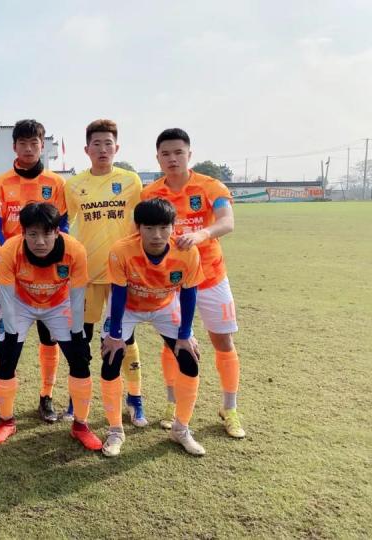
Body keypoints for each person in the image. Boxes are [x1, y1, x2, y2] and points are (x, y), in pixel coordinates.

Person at [141, 128, 245, 439]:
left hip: (211, 276)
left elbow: (227, 221)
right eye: (166, 154)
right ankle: (173, 404)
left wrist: (201, 234)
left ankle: (230, 408)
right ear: (158, 158)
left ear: (189, 154)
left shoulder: (210, 186)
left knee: (222, 341)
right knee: (172, 343)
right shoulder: (150, 193)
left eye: (178, 152)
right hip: (171, 281)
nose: (172, 159)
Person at [0, 202, 101, 451]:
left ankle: (80, 425)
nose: (40, 241)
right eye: (32, 234)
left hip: (58, 304)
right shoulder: (9, 251)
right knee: (6, 356)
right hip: (20, 303)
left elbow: (78, 297)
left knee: (80, 358)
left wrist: (77, 333)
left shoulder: (74, 250)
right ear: (23, 233)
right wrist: (11, 335)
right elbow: (6, 297)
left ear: (58, 231)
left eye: (47, 233)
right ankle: (6, 421)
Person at [100, 198, 205, 456]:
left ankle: (181, 429)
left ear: (173, 227)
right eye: (149, 228)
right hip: (128, 308)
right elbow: (118, 294)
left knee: (189, 359)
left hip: (164, 306)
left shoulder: (187, 251)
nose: (157, 235)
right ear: (138, 228)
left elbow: (189, 293)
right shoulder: (121, 250)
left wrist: (185, 334)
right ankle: (115, 431)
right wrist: (115, 335)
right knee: (111, 359)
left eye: (163, 228)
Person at [0, 119, 69, 423]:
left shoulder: (56, 183)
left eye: (34, 143)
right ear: (14, 146)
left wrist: (48, 256)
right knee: (6, 339)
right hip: (12, 272)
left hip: (48, 276)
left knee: (49, 339)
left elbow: (63, 226)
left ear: (42, 145)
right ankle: (1, 397)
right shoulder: (0, 182)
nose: (29, 149)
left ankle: (46, 396)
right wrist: (16, 255)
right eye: (23, 143)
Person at [64, 119, 145, 425]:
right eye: (96, 144)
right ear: (86, 149)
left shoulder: (131, 181)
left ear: (117, 147)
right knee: (80, 339)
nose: (102, 149)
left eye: (108, 143)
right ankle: (76, 398)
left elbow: (142, 222)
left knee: (126, 339)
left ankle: (135, 398)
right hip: (86, 275)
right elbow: (65, 224)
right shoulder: (74, 185)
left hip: (122, 276)